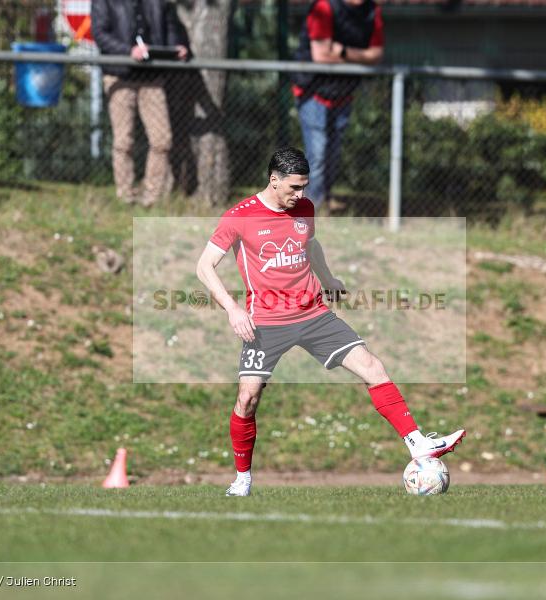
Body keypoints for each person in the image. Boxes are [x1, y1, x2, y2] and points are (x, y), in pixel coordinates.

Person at [196, 147, 465, 497]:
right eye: (294, 187)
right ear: (273, 180)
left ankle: (417, 443)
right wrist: (234, 309)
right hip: (266, 321)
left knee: (372, 366)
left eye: (304, 186)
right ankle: (242, 479)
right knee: (247, 399)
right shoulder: (240, 216)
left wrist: (328, 279)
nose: (301, 194)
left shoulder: (305, 209)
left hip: (313, 314)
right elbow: (204, 266)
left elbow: (309, 245)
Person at [91, 0, 190, 207]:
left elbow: (171, 28)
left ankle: (152, 196)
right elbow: (100, 34)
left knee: (162, 140)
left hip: (151, 76)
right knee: (123, 140)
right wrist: (128, 51)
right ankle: (125, 195)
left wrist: (176, 48)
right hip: (119, 74)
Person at [291, 0, 384, 212]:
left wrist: (341, 51)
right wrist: (360, 57)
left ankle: (322, 199)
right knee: (318, 152)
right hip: (312, 91)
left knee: (332, 153)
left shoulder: (372, 11)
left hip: (342, 94)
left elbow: (376, 55)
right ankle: (312, 207)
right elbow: (321, 55)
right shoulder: (324, 6)